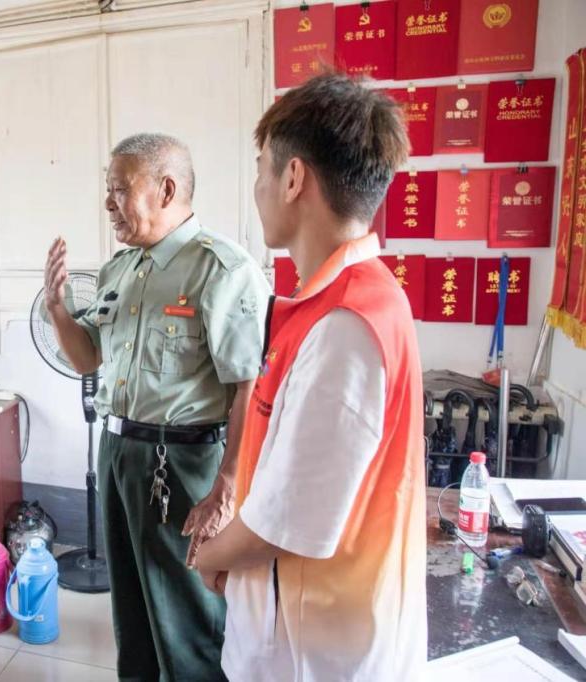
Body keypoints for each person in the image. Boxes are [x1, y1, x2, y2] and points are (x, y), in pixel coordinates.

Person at [194, 72, 427, 681]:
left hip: (316, 650)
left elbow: (287, 522)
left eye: (262, 171)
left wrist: (210, 555)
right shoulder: (344, 299)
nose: (258, 188)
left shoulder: (346, 325)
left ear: (293, 178)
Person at [42, 133, 270, 681]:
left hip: (183, 463)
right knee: (131, 609)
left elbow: (250, 388)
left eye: (119, 189)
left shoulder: (222, 270)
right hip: (118, 450)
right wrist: (57, 309)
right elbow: (86, 358)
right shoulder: (121, 270)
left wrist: (227, 486)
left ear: (166, 190)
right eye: (108, 189)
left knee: (187, 616)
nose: (108, 203)